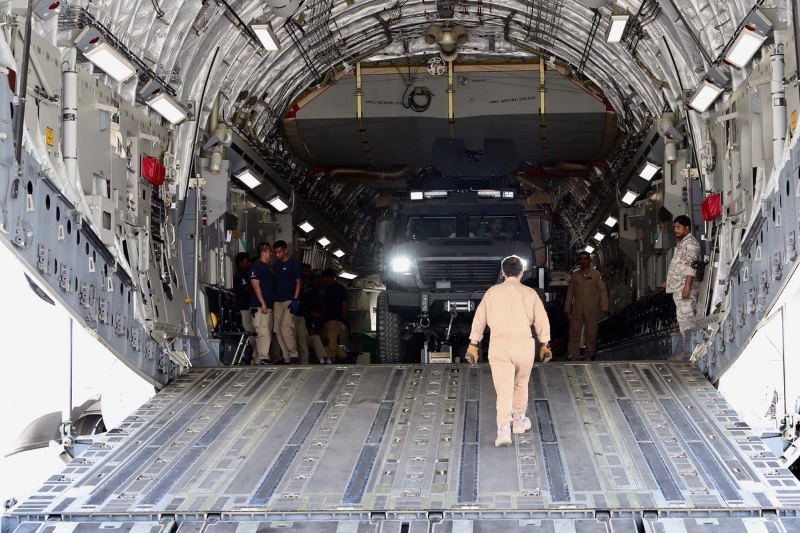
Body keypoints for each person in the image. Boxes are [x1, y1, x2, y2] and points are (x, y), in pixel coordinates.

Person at [467, 256, 552, 447]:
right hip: (524, 344)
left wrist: (473, 344)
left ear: (502, 272)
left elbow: (479, 319)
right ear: (522, 273)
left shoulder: (492, 292)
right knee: (521, 383)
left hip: (500, 344)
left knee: (504, 388)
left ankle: (503, 430)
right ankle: (520, 421)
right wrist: (545, 344)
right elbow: (541, 320)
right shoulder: (530, 293)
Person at [662, 215, 701, 361]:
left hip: (685, 289)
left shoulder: (691, 244)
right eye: (674, 227)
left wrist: (687, 287)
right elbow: (680, 266)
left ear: (687, 228)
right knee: (683, 320)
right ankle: (688, 350)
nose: (675, 230)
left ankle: (690, 352)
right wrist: (670, 281)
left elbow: (692, 267)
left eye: (678, 227)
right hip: (678, 287)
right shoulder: (683, 243)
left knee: (687, 320)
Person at [564, 251, 609, 361]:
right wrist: (567, 307)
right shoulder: (575, 276)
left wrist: (604, 307)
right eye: (581, 259)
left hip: (591, 307)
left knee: (591, 331)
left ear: (589, 260)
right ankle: (574, 355)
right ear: (579, 261)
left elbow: (602, 291)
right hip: (577, 307)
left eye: (585, 259)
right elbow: (570, 292)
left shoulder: (595, 275)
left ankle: (589, 354)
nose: (583, 261)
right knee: (574, 331)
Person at [272, 240, 302, 364]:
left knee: (286, 327)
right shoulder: (276, 265)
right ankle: (286, 357)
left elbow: (298, 282)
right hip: (277, 300)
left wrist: (295, 299)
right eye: (275, 252)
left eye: (279, 252)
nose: (277, 255)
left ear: (285, 250)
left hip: (289, 299)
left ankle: (293, 353)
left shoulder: (293, 263)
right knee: (277, 329)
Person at [248, 243, 275, 365]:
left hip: (267, 306)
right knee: (263, 333)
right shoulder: (256, 267)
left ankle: (256, 358)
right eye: (270, 252)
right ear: (263, 253)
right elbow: (255, 285)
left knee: (264, 332)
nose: (271, 255)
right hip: (259, 306)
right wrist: (262, 303)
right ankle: (262, 358)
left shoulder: (267, 268)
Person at [320, 268, 349, 362]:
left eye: (325, 279)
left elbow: (344, 302)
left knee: (331, 340)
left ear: (330, 278)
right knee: (326, 338)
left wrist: (343, 317)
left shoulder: (339, 288)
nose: (324, 281)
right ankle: (344, 356)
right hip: (327, 317)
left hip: (335, 317)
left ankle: (332, 359)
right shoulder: (327, 288)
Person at [232, 252, 255, 361]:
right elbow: (247, 290)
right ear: (240, 263)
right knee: (249, 330)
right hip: (244, 307)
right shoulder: (240, 275)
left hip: (246, 306)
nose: (249, 264)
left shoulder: (244, 274)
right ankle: (254, 355)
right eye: (246, 262)